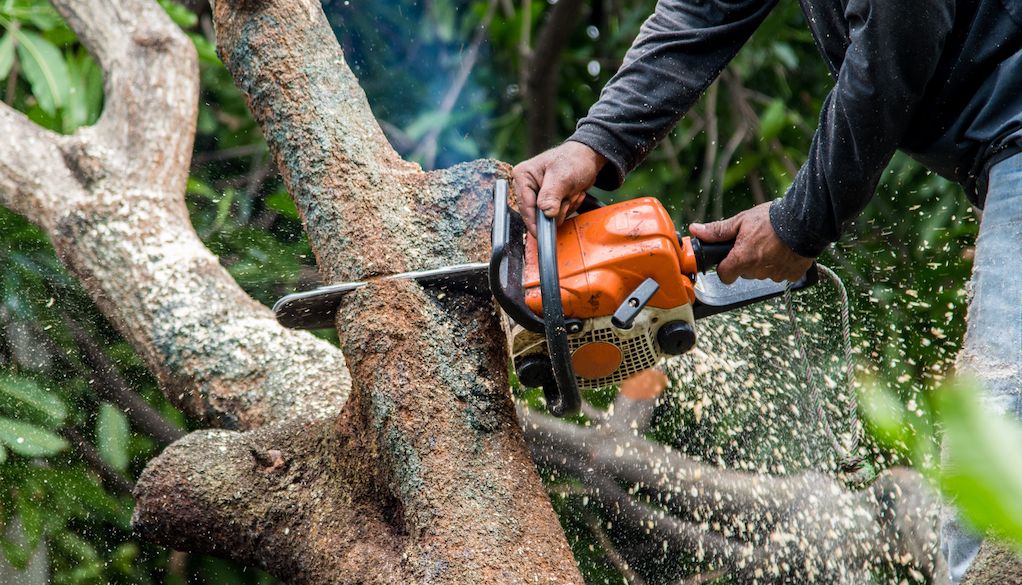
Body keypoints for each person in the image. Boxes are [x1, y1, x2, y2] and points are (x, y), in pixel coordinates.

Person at [512, 0, 1022, 582]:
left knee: (1001, 431)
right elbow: (704, 9)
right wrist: (595, 143)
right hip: (1002, 146)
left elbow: (898, 28)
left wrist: (801, 222)